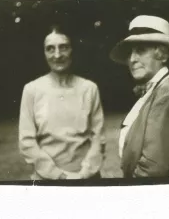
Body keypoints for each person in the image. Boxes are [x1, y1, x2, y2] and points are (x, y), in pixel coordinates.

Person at [110, 15, 169, 178]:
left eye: (140, 50)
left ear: (163, 54)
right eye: (130, 52)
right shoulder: (155, 90)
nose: (132, 59)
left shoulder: (168, 93)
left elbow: (153, 169)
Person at [19, 23, 105, 180]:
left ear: (72, 49)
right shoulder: (32, 90)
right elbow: (27, 142)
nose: (57, 55)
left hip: (87, 178)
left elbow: (98, 138)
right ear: (44, 52)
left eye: (63, 47)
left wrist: (85, 173)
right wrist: (60, 176)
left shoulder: (89, 88)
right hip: (47, 180)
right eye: (50, 49)